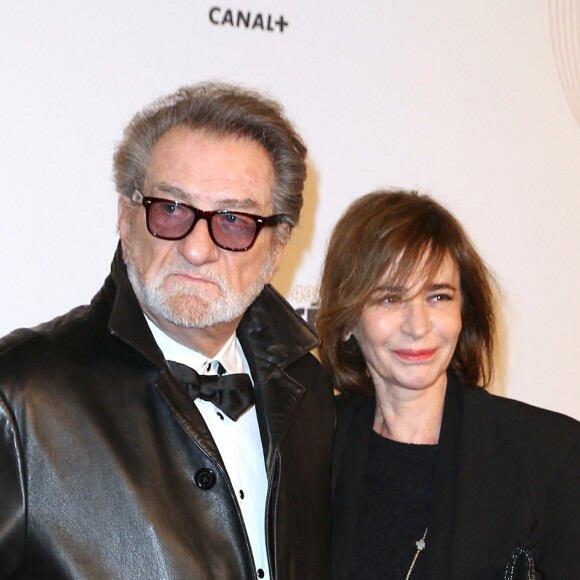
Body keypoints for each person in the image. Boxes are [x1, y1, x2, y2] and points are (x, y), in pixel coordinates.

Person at [0, 83, 335, 579]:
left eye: (234, 219)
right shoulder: (20, 395)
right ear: (125, 217)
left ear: (277, 248)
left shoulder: (310, 391)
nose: (197, 249)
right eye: (172, 209)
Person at [316, 189, 580, 579]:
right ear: (348, 323)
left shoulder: (552, 453)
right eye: (390, 299)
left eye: (438, 296)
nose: (418, 326)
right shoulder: (310, 446)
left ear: (463, 313)